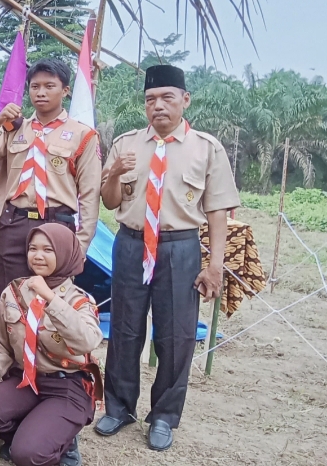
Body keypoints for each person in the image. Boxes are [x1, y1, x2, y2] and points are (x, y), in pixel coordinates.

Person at [96, 64, 240, 452]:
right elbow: (109, 201)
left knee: (176, 334)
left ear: (184, 100)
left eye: (167, 98)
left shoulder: (206, 148)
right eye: (150, 99)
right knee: (125, 328)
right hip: (130, 242)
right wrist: (112, 175)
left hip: (180, 247)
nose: (158, 106)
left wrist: (215, 265)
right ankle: (120, 407)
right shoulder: (126, 144)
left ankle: (163, 416)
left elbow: (218, 210)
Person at [0, 59, 101, 293]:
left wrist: (81, 245)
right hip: (14, 222)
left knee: (52, 300)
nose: (41, 93)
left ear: (65, 91)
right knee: (10, 296)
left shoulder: (82, 135)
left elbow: (89, 194)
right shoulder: (14, 129)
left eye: (49, 86)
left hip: (57, 223)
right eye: (35, 87)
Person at [0, 223, 104, 466]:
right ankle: (32, 430)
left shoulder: (79, 299)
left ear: (64, 253)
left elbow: (87, 340)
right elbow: (0, 343)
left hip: (66, 385)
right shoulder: (15, 291)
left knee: (27, 455)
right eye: (33, 248)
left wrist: (51, 298)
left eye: (48, 250)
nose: (38, 256)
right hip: (26, 380)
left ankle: (61, 439)